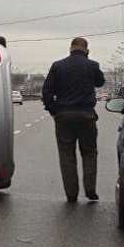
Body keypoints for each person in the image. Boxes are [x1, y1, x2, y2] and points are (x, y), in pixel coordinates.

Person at [42, 37, 105, 203]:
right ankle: (90, 189)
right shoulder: (92, 66)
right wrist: (89, 61)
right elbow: (100, 82)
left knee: (66, 155)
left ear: (70, 49)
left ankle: (71, 194)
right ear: (86, 49)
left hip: (63, 116)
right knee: (89, 152)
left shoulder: (58, 66)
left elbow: (46, 91)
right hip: (86, 116)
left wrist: (54, 110)